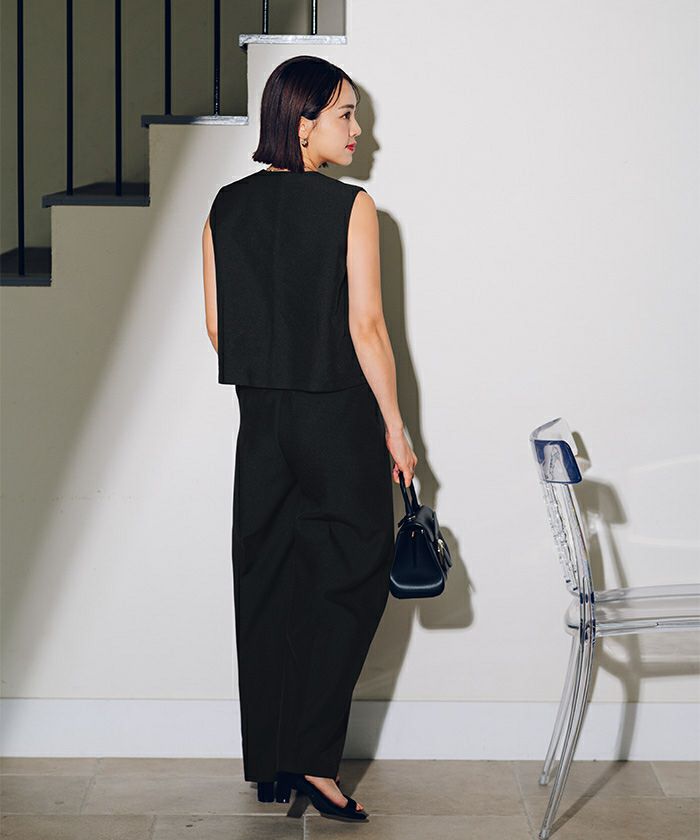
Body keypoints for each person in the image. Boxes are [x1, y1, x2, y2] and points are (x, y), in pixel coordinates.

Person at [201, 55, 417, 823]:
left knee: (267, 582)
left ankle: (272, 763)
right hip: (337, 418)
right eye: (347, 114)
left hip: (260, 424)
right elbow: (367, 326)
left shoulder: (224, 206)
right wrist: (395, 428)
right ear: (302, 123)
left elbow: (218, 326)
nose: (359, 131)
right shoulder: (350, 208)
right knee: (351, 577)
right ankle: (315, 762)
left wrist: (274, 378)